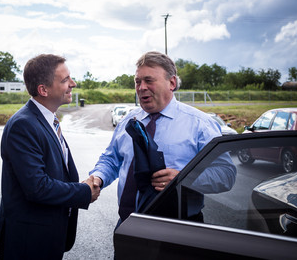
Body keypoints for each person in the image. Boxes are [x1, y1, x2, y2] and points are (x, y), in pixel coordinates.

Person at [89, 51, 236, 227]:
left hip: (179, 229)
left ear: (172, 83)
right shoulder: (128, 121)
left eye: (149, 80)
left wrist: (184, 178)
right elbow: (111, 159)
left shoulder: (200, 124)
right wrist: (97, 178)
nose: (141, 87)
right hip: (127, 226)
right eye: (137, 81)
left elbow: (226, 174)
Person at [0, 54, 100, 260]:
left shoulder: (47, 119)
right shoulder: (23, 125)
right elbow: (37, 187)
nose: (73, 84)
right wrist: (84, 192)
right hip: (29, 243)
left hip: (47, 237)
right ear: (43, 89)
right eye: (65, 80)